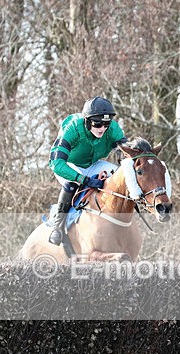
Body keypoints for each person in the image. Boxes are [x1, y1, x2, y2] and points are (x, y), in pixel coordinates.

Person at [47, 96, 128, 246]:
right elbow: (56, 163)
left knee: (120, 177)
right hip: (68, 165)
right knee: (72, 184)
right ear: (86, 121)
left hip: (93, 164)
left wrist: (123, 155)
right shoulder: (73, 128)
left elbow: (128, 152)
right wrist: (84, 179)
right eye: (97, 124)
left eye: (106, 124)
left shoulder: (113, 128)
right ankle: (57, 227)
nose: (102, 128)